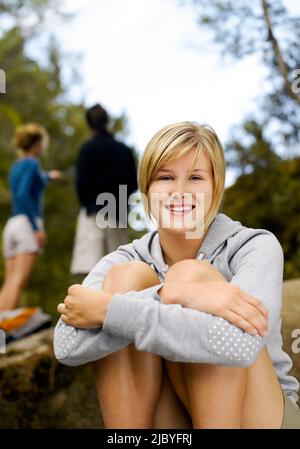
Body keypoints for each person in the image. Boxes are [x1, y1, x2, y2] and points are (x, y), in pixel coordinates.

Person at [53, 122, 300, 429]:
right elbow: (65, 345)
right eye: (166, 178)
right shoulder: (125, 258)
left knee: (192, 275)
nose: (180, 192)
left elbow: (239, 346)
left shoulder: (254, 246)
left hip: (260, 418)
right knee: (125, 279)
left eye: (195, 178)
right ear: (146, 189)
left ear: (216, 187)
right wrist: (168, 294)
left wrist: (110, 310)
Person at [70, 103, 138, 276]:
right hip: (117, 213)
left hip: (93, 212)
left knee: (91, 270)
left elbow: (81, 182)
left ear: (89, 124)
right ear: (107, 121)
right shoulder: (123, 150)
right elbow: (133, 183)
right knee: (118, 268)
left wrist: (89, 203)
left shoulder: (87, 149)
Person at [0, 123, 62, 311]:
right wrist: (36, 228)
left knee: (9, 283)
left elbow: (33, 181)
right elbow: (23, 194)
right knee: (18, 284)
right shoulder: (33, 163)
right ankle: (5, 332)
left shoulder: (16, 166)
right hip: (26, 225)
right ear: (37, 144)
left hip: (11, 225)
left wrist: (48, 177)